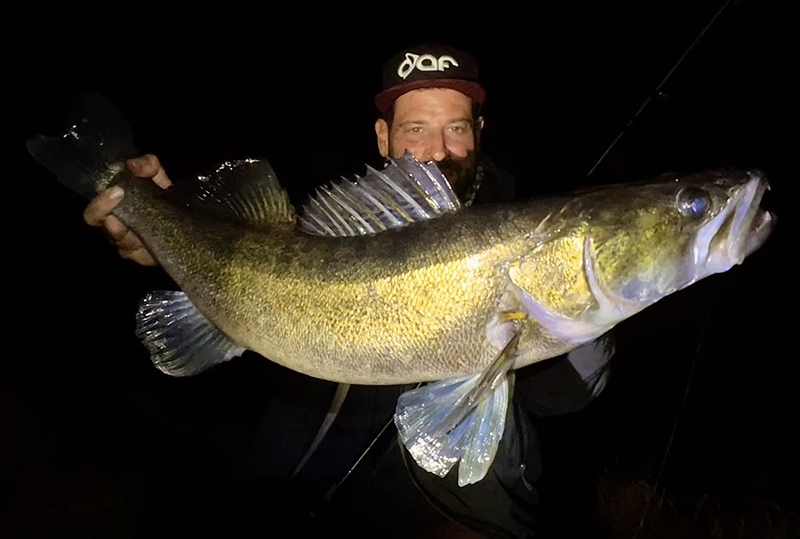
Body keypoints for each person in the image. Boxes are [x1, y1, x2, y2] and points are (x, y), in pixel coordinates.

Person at [84, 43, 615, 538]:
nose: (437, 150)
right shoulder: (326, 230)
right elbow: (246, 271)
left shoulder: (538, 238)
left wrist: (595, 303)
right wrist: (166, 224)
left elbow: (567, 395)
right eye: (415, 129)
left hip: (447, 512)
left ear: (479, 130)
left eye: (456, 127)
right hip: (300, 488)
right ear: (382, 138)